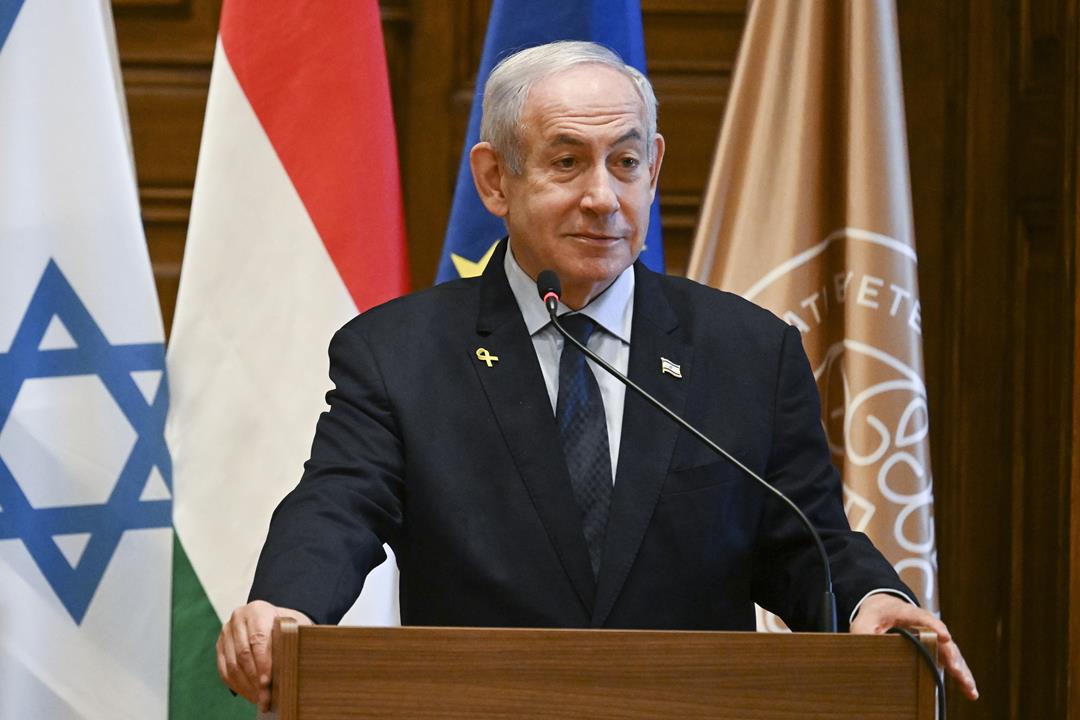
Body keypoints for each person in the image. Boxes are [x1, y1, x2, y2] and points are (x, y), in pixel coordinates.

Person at [216, 41, 978, 710]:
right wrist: (287, 606)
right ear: (495, 179)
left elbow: (804, 538)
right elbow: (339, 505)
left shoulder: (747, 351)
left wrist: (871, 600)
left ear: (655, 169)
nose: (603, 198)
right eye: (567, 162)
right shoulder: (399, 353)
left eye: (625, 162)